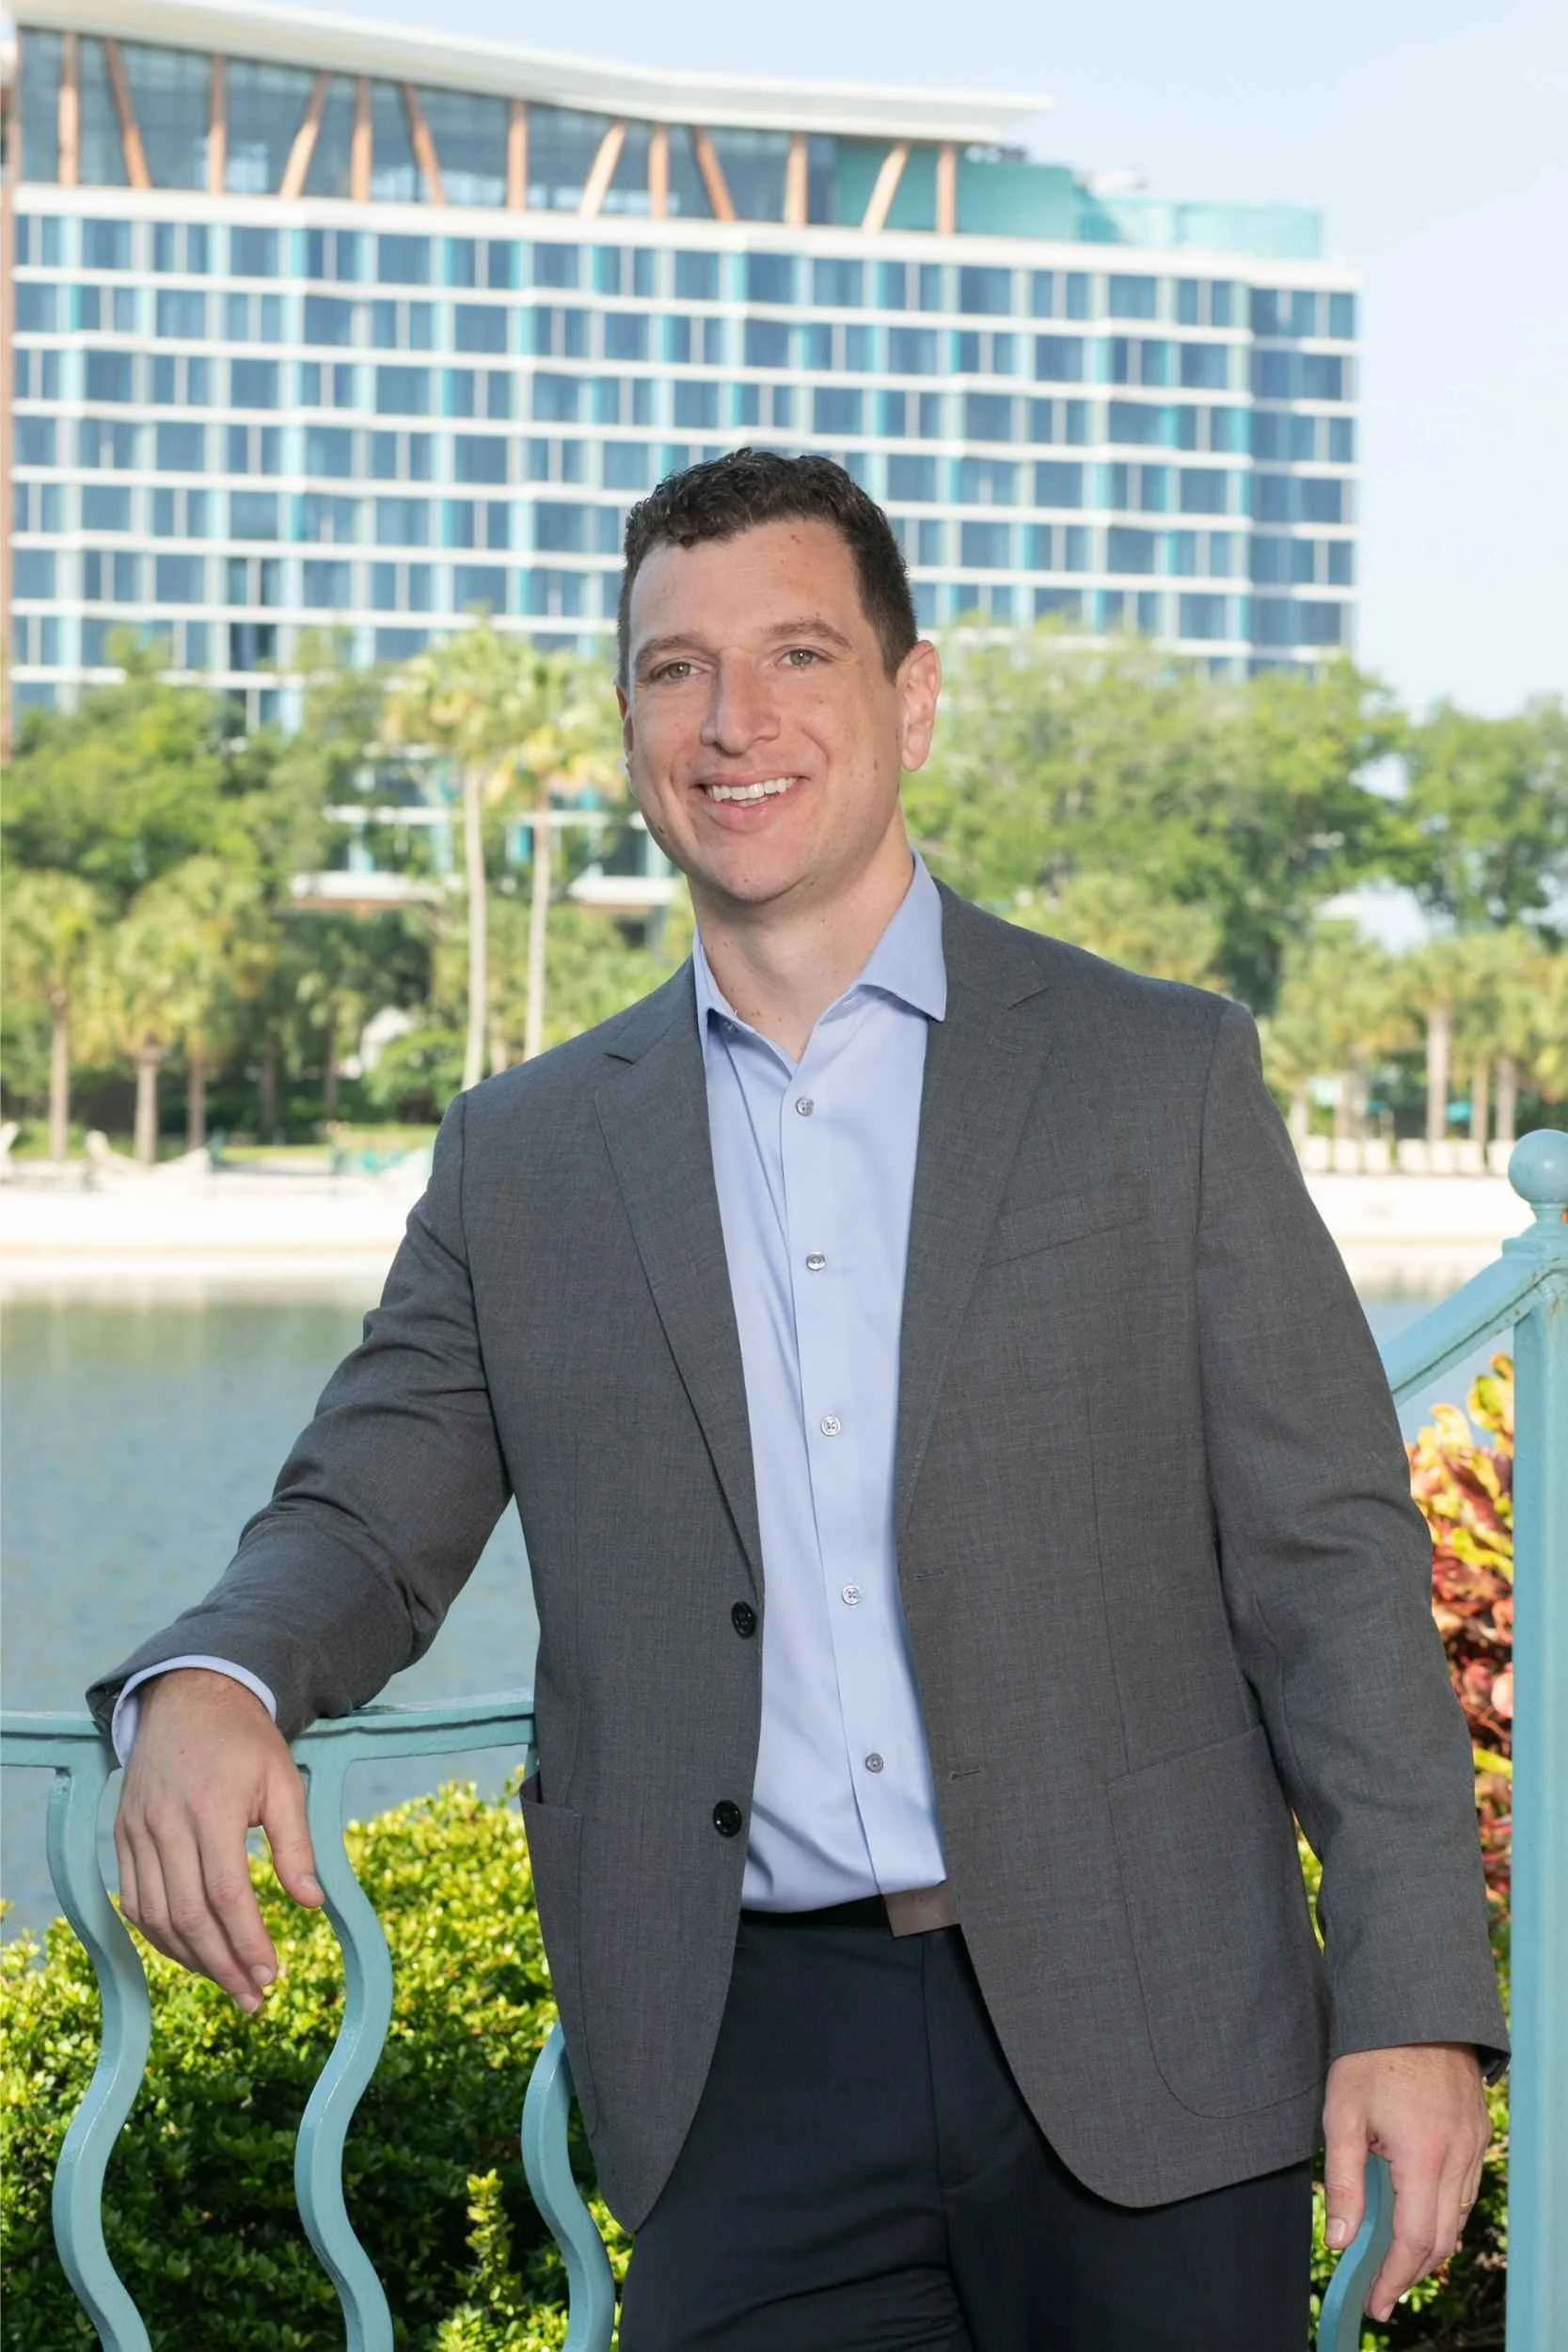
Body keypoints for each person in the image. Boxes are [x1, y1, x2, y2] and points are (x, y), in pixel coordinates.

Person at [92, 452, 1504, 2351]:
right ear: (626, 728)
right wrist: (214, 1679)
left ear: (907, 699)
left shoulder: (1150, 1076)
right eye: (673, 669)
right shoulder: (524, 1155)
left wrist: (1408, 1997)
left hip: (1155, 2028)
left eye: (794, 654)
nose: (730, 720)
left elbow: (1330, 1565)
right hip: (744, 2064)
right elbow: (361, 1509)